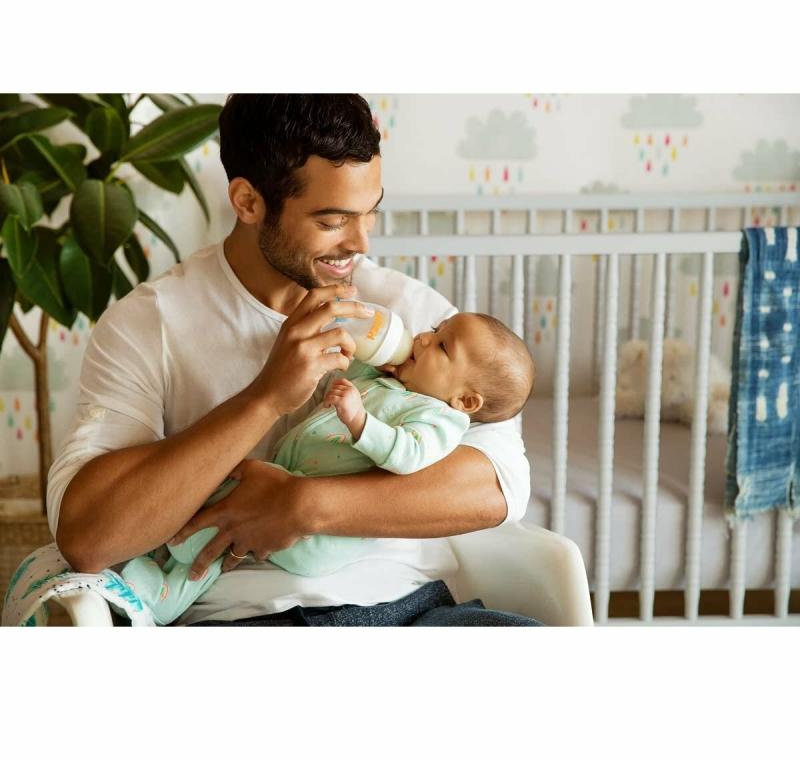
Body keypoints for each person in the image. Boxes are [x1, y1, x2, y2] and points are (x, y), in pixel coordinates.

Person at [49, 94, 538, 626]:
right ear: (248, 202)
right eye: (333, 221)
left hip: (415, 608)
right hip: (241, 618)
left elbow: (499, 486)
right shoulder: (150, 324)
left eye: (370, 213)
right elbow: (89, 537)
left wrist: (304, 505)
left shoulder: (418, 319)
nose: (361, 243)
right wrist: (264, 399)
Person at [119, 312, 536, 624]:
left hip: (321, 540)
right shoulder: (394, 382)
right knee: (220, 503)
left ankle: (163, 593)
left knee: (222, 529)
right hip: (286, 485)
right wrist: (369, 353)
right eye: (434, 329)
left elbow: (408, 454)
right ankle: (160, 561)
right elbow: (351, 371)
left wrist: (360, 422)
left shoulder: (440, 419)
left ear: (466, 400)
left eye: (442, 347)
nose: (424, 338)